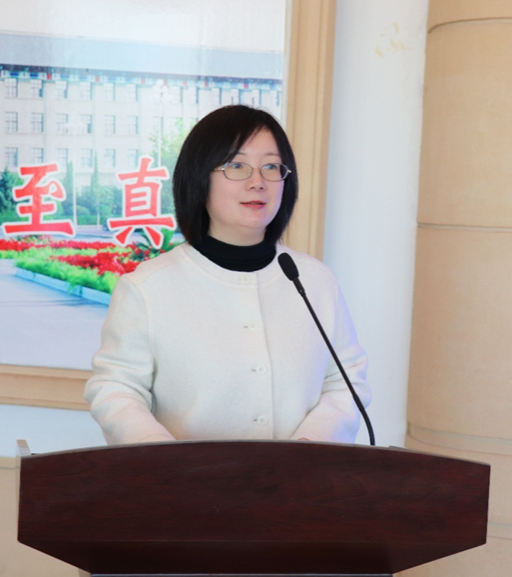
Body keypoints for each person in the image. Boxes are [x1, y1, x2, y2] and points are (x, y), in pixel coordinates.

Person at [85, 105, 369, 445]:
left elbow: (345, 383)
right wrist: (164, 459)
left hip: (300, 477)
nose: (257, 182)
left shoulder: (315, 280)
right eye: (236, 166)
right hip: (184, 476)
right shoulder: (148, 287)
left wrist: (307, 451)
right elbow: (117, 389)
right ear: (199, 177)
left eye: (271, 166)